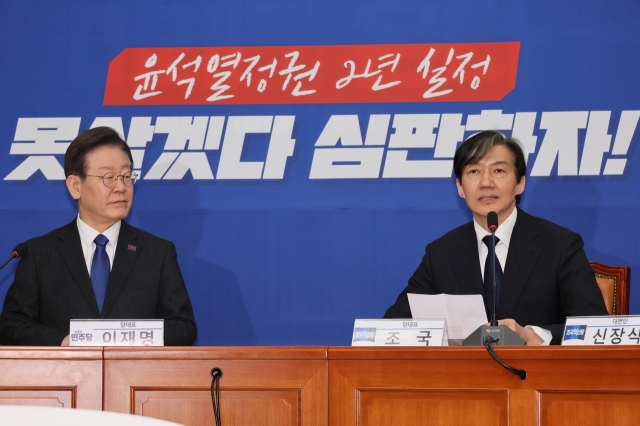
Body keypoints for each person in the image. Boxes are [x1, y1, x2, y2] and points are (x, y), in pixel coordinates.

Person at [384, 130, 607, 345]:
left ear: (520, 183)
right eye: (474, 171)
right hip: (468, 379)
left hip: (535, 377)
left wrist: (537, 335)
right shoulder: (441, 253)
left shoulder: (559, 245)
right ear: (460, 187)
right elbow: (394, 327)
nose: (486, 182)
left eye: (498, 171)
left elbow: (594, 325)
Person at [0, 127, 197, 346]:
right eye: (109, 177)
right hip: (65, 377)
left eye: (126, 176)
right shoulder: (39, 254)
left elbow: (183, 327)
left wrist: (129, 338)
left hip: (133, 377)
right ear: (76, 186)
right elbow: (11, 326)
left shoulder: (157, 253)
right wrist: (64, 342)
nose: (121, 187)